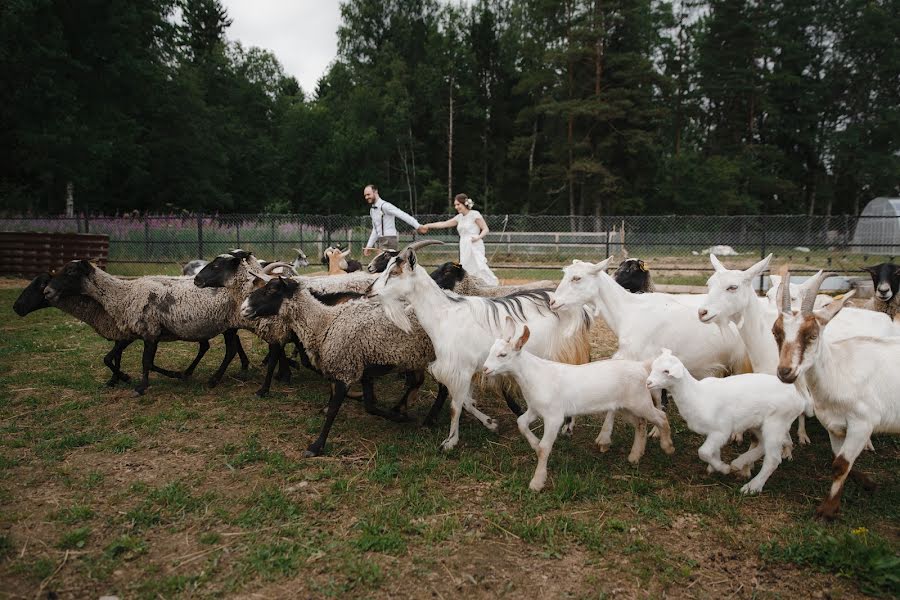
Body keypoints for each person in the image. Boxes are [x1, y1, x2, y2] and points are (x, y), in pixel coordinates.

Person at [421, 193, 499, 286]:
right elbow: (443, 224)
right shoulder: (459, 218)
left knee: (478, 265)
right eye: (455, 205)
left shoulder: (474, 214)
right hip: (464, 244)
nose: (456, 207)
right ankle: (471, 286)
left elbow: (485, 229)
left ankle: (488, 285)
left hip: (474, 244)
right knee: (465, 266)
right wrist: (428, 226)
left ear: (464, 204)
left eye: (458, 204)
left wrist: (478, 237)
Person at [363, 184, 428, 256]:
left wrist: (418, 226)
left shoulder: (385, 206)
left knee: (383, 264)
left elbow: (402, 214)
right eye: (365, 195)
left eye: (368, 194)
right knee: (384, 265)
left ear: (375, 192)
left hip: (389, 239)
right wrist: (369, 245)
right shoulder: (372, 210)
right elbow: (375, 229)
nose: (366, 197)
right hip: (381, 240)